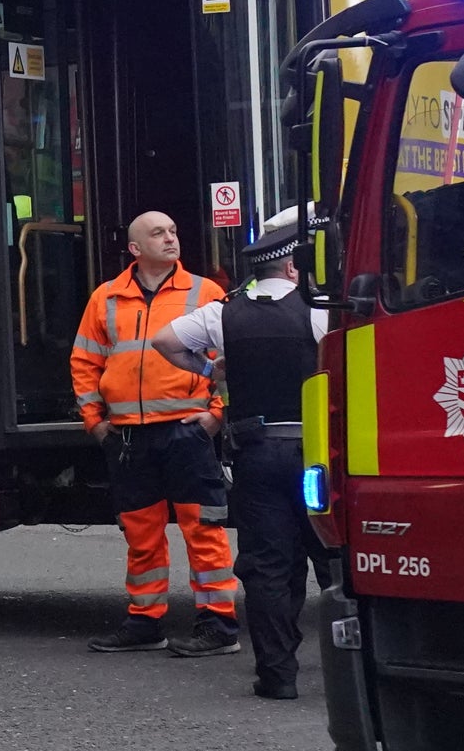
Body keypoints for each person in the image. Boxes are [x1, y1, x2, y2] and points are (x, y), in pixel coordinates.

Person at [152, 208, 323, 700]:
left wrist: (211, 370)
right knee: (331, 561)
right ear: (293, 266)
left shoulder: (224, 311)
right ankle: (348, 671)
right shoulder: (317, 309)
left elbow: (164, 341)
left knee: (268, 566)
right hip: (316, 452)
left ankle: (278, 676)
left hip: (256, 450)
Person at [74, 210, 236, 657]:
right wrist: (95, 421)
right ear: (135, 249)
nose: (170, 238)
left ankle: (219, 625)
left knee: (204, 529)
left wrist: (216, 415)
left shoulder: (206, 292)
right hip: (128, 436)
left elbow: (233, 360)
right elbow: (85, 362)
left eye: (173, 230)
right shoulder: (106, 298)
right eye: (158, 233)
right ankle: (145, 621)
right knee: (141, 534)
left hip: (186, 431)